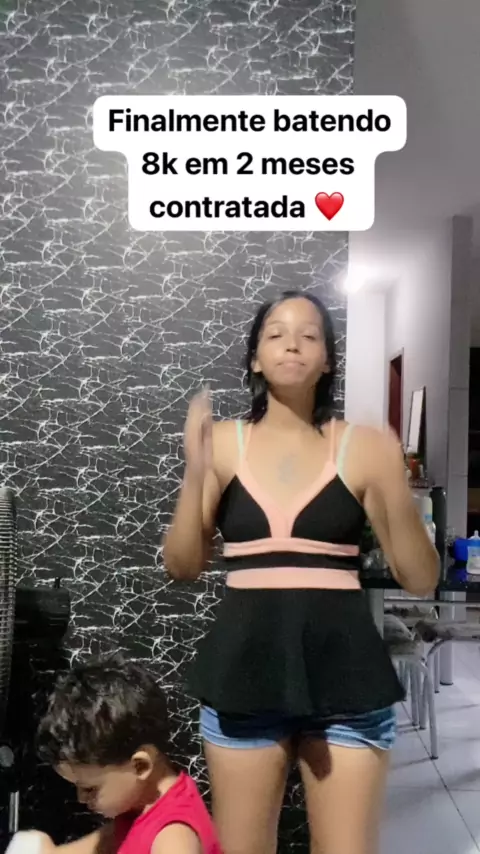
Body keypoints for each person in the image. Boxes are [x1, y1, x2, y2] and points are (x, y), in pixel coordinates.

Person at [163, 290, 440, 854]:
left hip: (348, 679)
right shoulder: (222, 444)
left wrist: (393, 479)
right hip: (243, 674)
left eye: (309, 335)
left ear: (328, 360)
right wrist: (195, 473)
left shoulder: (363, 447)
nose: (292, 343)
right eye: (276, 334)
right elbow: (183, 566)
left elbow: (421, 579)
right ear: (255, 359)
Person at [10, 655, 222, 854]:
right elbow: (109, 840)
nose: (80, 799)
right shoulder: (138, 800)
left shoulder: (174, 838)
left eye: (90, 788)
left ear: (140, 766)